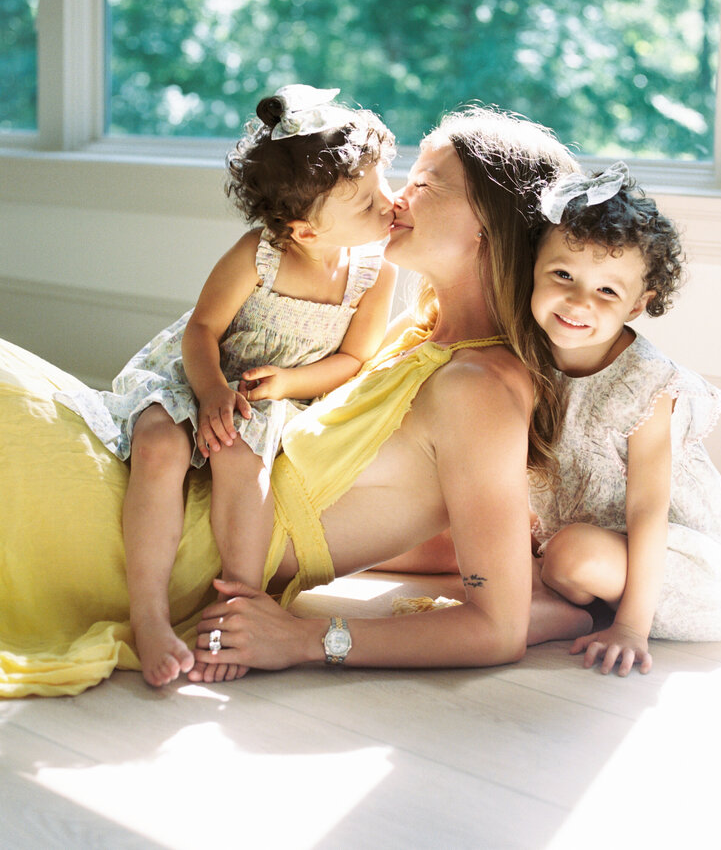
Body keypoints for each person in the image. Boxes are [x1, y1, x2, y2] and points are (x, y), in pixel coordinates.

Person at [0, 105, 586, 698]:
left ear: (489, 224)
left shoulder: (479, 388)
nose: (396, 197)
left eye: (424, 183)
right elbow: (369, 514)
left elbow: (498, 627)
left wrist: (306, 638)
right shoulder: (421, 332)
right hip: (160, 485)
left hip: (170, 549)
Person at [56, 84, 398, 686]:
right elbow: (202, 329)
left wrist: (289, 382)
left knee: (243, 462)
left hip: (271, 394)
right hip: (205, 372)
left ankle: (237, 609)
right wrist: (212, 391)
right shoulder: (259, 255)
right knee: (160, 445)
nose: (390, 207)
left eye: (384, 188)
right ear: (306, 231)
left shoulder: (376, 270)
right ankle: (150, 614)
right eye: (368, 203)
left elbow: (354, 358)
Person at [527, 163, 721, 677]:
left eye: (607, 292)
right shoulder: (524, 357)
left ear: (638, 305)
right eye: (563, 274)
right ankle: (568, 599)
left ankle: (595, 609)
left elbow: (648, 511)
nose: (578, 301)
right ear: (534, 268)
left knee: (569, 558)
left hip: (681, 567)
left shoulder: (648, 384)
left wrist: (631, 629)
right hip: (601, 544)